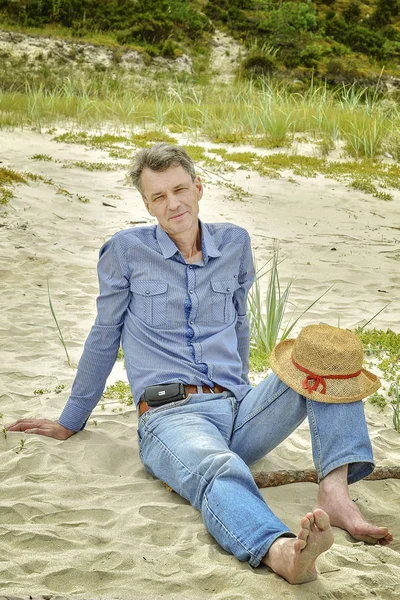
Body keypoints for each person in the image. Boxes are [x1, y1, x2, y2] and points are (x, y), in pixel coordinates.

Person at [7, 143, 392, 585]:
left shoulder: (235, 243)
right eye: (158, 197)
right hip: (173, 416)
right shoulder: (125, 251)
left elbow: (241, 322)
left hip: (239, 409)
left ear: (198, 188)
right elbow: (103, 334)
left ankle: (335, 489)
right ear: (146, 204)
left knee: (326, 354)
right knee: (220, 467)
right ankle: (281, 550)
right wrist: (71, 419)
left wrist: (248, 391)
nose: (172, 204)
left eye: (179, 189)